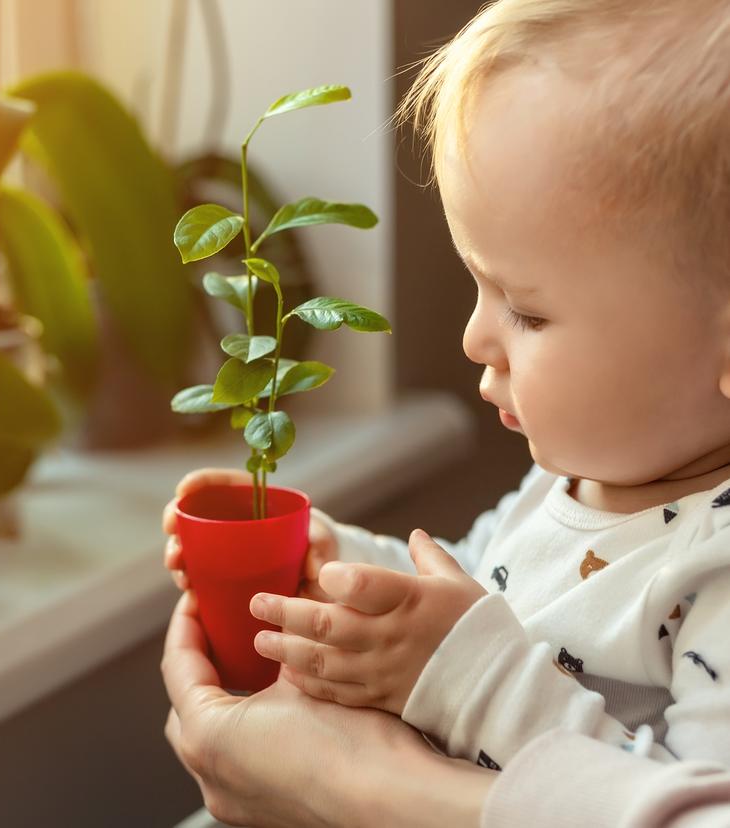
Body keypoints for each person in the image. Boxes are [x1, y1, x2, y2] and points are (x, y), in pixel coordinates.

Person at [163, 0, 730, 822]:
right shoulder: (569, 482)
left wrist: (467, 675)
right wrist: (342, 570)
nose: (475, 338)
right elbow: (469, 585)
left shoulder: (710, 566)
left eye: (527, 313)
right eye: (480, 287)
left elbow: (683, 800)